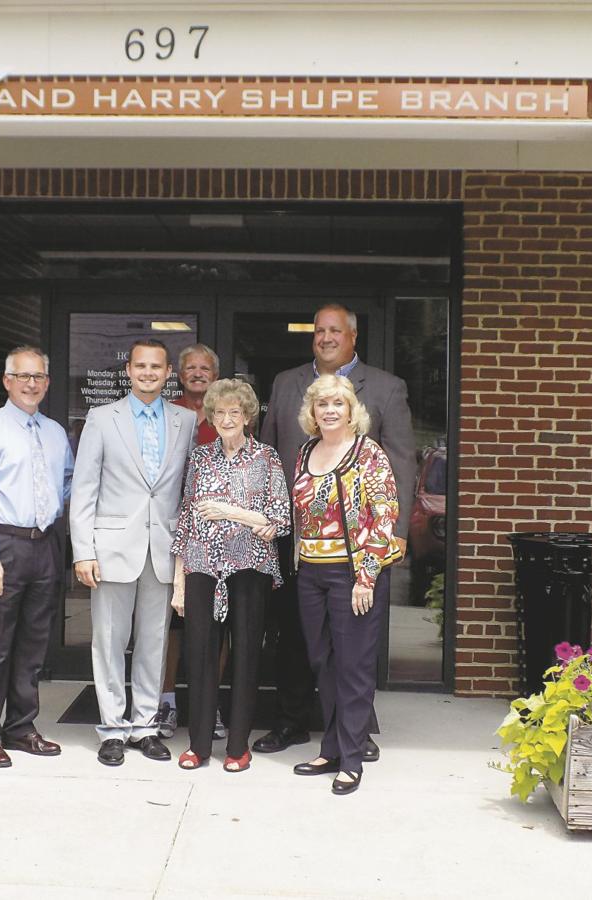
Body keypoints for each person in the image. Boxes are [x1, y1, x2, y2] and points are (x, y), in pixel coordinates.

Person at [255, 303, 417, 759]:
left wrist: (397, 532)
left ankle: (354, 734)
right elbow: (270, 457)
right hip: (296, 538)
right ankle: (290, 720)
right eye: (319, 331)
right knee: (296, 636)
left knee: (352, 645)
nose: (325, 337)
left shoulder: (386, 387)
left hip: (358, 542)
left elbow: (402, 461)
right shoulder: (288, 383)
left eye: (335, 331)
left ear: (352, 336)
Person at [71, 339, 197, 767]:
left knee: (154, 642)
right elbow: (84, 489)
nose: (148, 372)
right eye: (140, 366)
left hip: (163, 547)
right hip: (110, 549)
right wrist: (82, 551)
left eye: (156, 366)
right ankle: (111, 727)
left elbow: (185, 489)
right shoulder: (103, 418)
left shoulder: (186, 420)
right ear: (129, 370)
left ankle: (144, 726)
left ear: (167, 373)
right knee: (109, 641)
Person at [169, 379, 290, 772]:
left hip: (250, 568)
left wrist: (229, 512)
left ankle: (238, 746)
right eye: (219, 412)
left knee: (245, 657)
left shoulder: (267, 458)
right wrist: (179, 583)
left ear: (248, 416)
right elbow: (186, 519)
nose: (225, 419)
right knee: (201, 655)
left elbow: (280, 520)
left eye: (234, 413)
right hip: (203, 565)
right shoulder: (200, 458)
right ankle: (198, 746)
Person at [290, 375, 402, 795]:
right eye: (322, 404)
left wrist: (366, 576)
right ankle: (331, 748)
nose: (330, 410)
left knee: (354, 667)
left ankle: (352, 760)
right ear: (313, 412)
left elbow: (384, 514)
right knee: (323, 662)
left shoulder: (368, 454)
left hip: (352, 574)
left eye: (338, 403)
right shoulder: (306, 451)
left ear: (352, 409)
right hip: (311, 572)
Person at [0, 346, 73, 768]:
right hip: (2, 544)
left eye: (39, 377)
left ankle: (22, 727)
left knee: (33, 644)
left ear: (47, 382)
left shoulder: (55, 432)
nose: (32, 383)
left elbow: (66, 484)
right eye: (23, 376)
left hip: (44, 544)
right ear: (7, 381)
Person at [157, 342, 224, 741]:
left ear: (215, 375)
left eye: (205, 368)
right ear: (179, 375)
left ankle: (210, 705)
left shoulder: (226, 414)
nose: (198, 373)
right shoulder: (168, 414)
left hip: (220, 535)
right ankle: (166, 702)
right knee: (174, 625)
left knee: (218, 623)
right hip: (175, 533)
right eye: (191, 368)